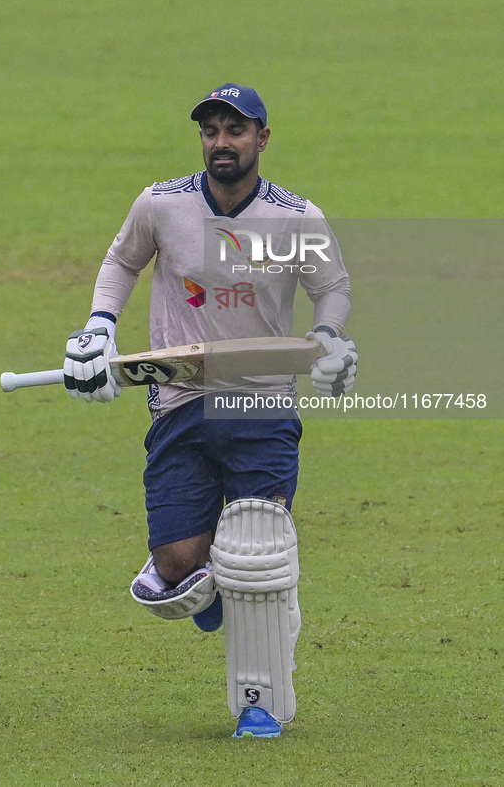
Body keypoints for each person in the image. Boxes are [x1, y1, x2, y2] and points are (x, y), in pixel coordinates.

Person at [63, 84, 357, 738]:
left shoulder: (294, 217)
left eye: (235, 130)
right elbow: (121, 260)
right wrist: (98, 326)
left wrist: (328, 335)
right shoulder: (160, 204)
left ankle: (257, 703)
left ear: (261, 138)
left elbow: (330, 287)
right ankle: (217, 582)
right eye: (210, 130)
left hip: (261, 405)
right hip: (179, 402)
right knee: (175, 563)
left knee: (257, 557)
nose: (221, 142)